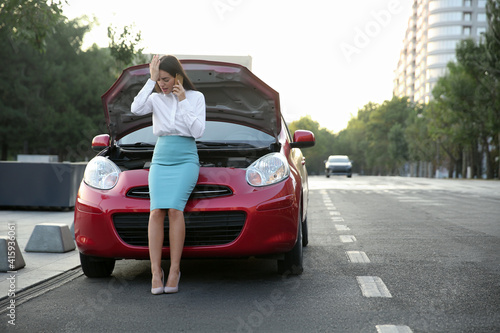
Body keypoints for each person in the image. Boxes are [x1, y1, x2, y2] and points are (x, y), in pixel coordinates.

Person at [131, 55, 206, 294]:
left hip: (186, 158)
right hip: (161, 158)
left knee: (174, 210)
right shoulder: (154, 98)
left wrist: (182, 99)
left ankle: (174, 269)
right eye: (159, 79)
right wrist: (149, 80)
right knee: (156, 211)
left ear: (178, 77)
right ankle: (155, 271)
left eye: (165, 79)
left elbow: (198, 131)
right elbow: (135, 109)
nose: (162, 84)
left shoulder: (196, 97)